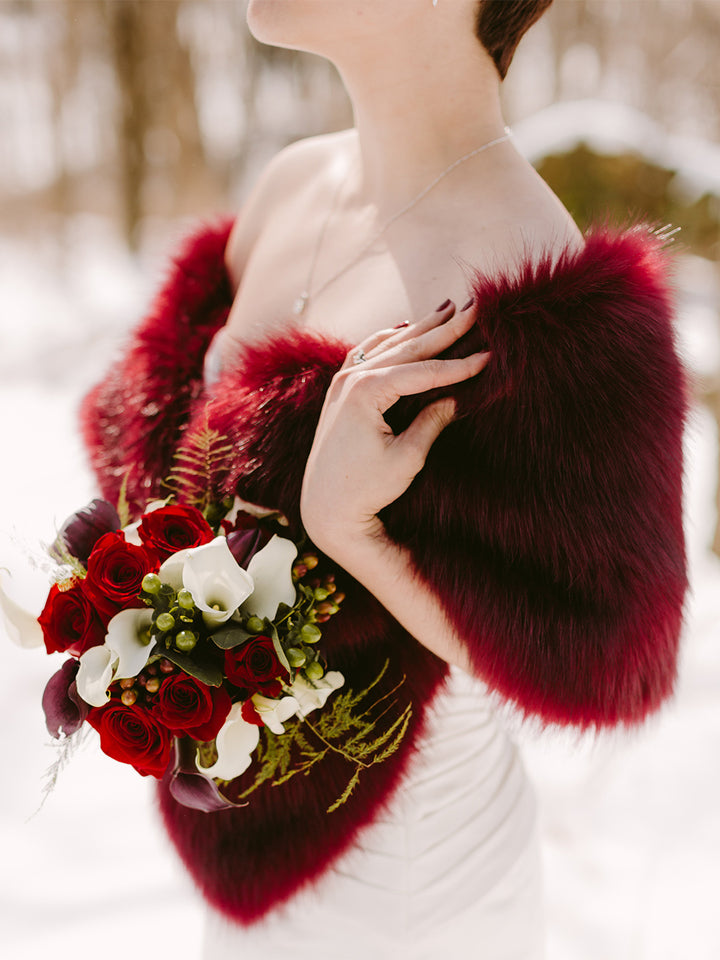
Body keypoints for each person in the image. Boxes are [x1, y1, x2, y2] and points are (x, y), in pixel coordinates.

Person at [79, 1, 687, 957]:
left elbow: (611, 658)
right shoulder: (294, 179)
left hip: (408, 871)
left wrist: (354, 531)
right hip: (248, 837)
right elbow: (169, 451)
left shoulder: (533, 273)